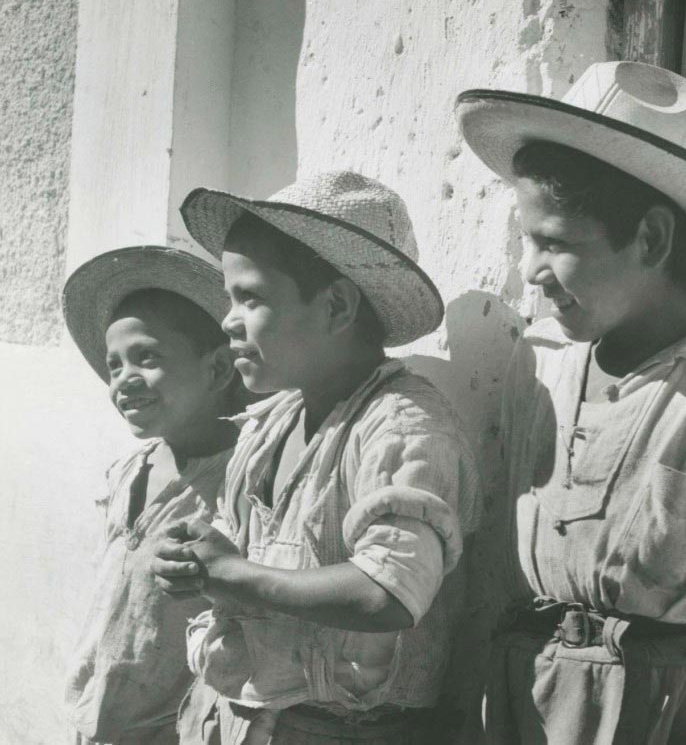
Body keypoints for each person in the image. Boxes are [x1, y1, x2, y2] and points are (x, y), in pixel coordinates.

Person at [455, 61, 686, 744]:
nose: (530, 271)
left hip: (667, 708)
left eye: (555, 242)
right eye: (525, 239)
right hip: (528, 697)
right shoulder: (539, 361)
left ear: (651, 238)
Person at [151, 171, 481, 744]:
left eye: (250, 297)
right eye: (230, 298)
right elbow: (239, 554)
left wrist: (234, 575)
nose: (228, 320)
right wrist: (199, 564)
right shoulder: (273, 421)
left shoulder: (402, 427)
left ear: (335, 306)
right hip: (249, 720)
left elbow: (386, 593)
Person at [63, 246, 242, 745]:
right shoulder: (128, 471)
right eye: (114, 365)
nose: (124, 380)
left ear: (219, 370)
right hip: (96, 720)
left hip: (175, 731)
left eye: (148, 357)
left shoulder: (239, 481)